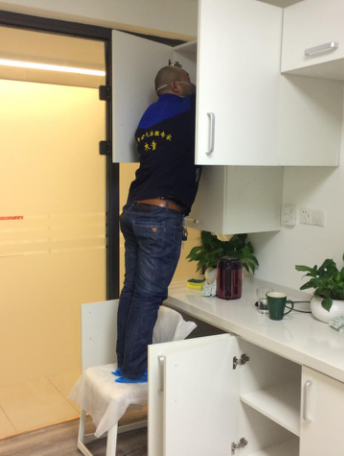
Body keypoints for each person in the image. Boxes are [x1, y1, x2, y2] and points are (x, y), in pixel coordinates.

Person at [114, 65, 199, 383]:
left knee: (132, 290)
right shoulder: (188, 110)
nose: (193, 85)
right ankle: (134, 370)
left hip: (134, 209)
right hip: (159, 217)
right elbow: (217, 96)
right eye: (188, 80)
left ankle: (125, 362)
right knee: (147, 297)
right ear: (176, 87)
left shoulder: (148, 116)